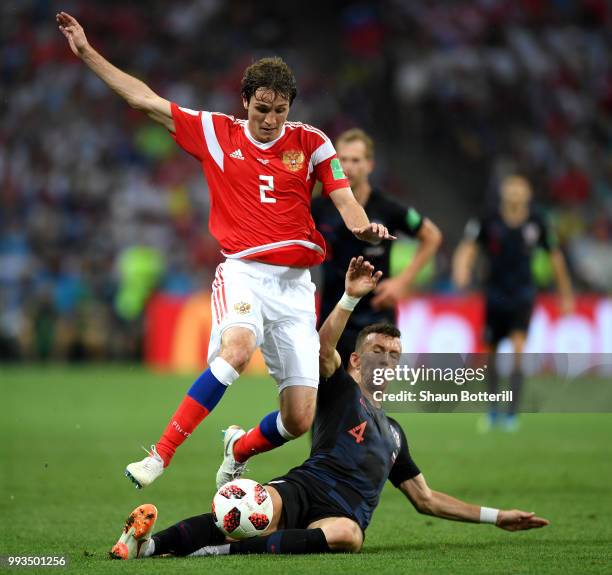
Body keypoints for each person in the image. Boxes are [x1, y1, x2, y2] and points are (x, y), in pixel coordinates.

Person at [56, 12, 393, 489]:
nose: (270, 120)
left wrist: (364, 229)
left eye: (279, 110)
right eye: (261, 109)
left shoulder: (311, 141)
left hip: (295, 286)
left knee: (298, 419)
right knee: (235, 352)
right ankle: (160, 454)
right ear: (245, 102)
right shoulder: (217, 132)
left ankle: (238, 447)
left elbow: (345, 200)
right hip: (244, 273)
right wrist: (88, 53)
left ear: (290, 107)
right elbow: (143, 99)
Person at [109, 257, 549, 560]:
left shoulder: (394, 434)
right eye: (378, 350)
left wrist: (497, 518)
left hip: (343, 517)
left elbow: (426, 499)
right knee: (249, 506)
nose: (387, 360)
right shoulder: (341, 389)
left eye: (395, 354)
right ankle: (143, 544)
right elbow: (321, 350)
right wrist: (349, 299)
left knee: (349, 535)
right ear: (357, 360)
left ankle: (215, 550)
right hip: (306, 489)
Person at [453, 175, 574, 431]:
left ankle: (511, 414)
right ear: (504, 192)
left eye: (520, 188)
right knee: (491, 353)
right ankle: (493, 410)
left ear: (528, 194)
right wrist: (461, 269)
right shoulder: (488, 219)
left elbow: (555, 256)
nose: (515, 193)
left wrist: (565, 293)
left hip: (523, 294)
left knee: (519, 350)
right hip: (494, 294)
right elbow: (468, 247)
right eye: (511, 188)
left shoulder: (537, 221)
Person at [312, 128, 442, 365]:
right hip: (334, 315)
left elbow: (432, 236)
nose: (348, 167)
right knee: (327, 398)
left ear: (369, 165)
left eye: (356, 160)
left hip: (377, 313)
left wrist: (402, 283)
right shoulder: (320, 207)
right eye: (342, 160)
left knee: (370, 392)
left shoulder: (387, 208)